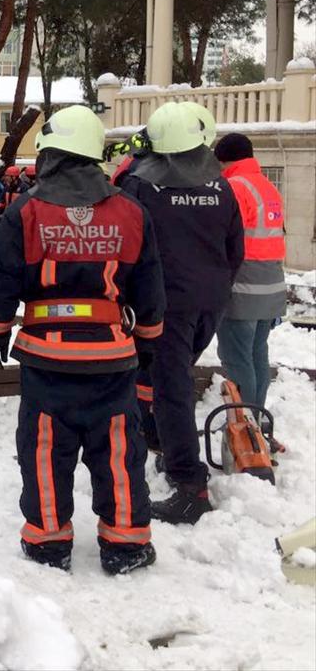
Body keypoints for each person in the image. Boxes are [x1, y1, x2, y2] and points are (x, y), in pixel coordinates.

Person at [0, 105, 166, 575]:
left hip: (47, 358)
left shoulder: (26, 211)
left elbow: (2, 279)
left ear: (50, 156)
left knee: (45, 449)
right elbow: (150, 285)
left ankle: (48, 542)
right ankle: (126, 543)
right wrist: (147, 339)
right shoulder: (130, 210)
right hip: (111, 359)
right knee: (118, 451)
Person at [120, 102, 243, 525]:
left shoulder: (140, 187)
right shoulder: (220, 187)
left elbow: (127, 249)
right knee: (165, 378)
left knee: (170, 388)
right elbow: (235, 249)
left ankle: (190, 485)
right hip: (209, 299)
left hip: (165, 303)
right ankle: (168, 444)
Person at [214, 132, 286, 425]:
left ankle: (245, 427)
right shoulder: (268, 187)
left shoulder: (232, 187)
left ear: (222, 159)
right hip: (271, 287)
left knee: (237, 358)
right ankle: (256, 419)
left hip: (243, 288)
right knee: (257, 356)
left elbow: (222, 239)